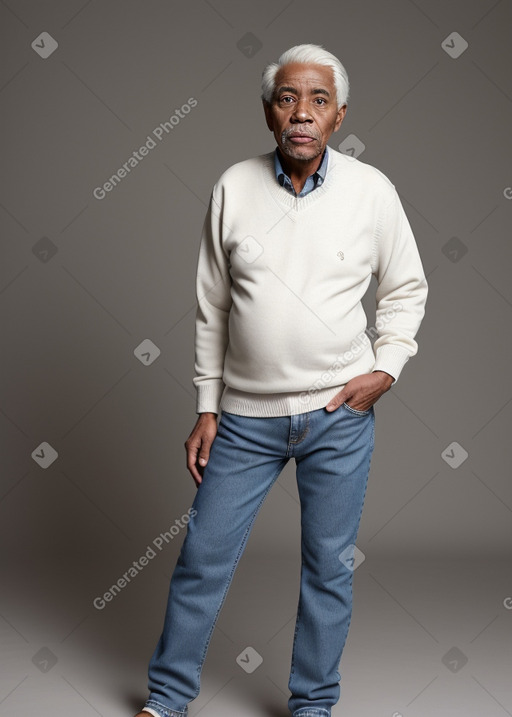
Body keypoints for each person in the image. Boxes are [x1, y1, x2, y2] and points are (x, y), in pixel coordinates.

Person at [135, 43, 428, 717]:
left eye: (318, 100)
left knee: (329, 568)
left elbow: (406, 287)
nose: (303, 113)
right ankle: (168, 698)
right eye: (288, 98)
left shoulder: (373, 190)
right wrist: (207, 405)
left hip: (338, 415)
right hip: (242, 419)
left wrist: (387, 365)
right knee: (203, 560)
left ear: (340, 114)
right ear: (270, 112)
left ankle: (313, 704)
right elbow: (212, 306)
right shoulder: (233, 187)